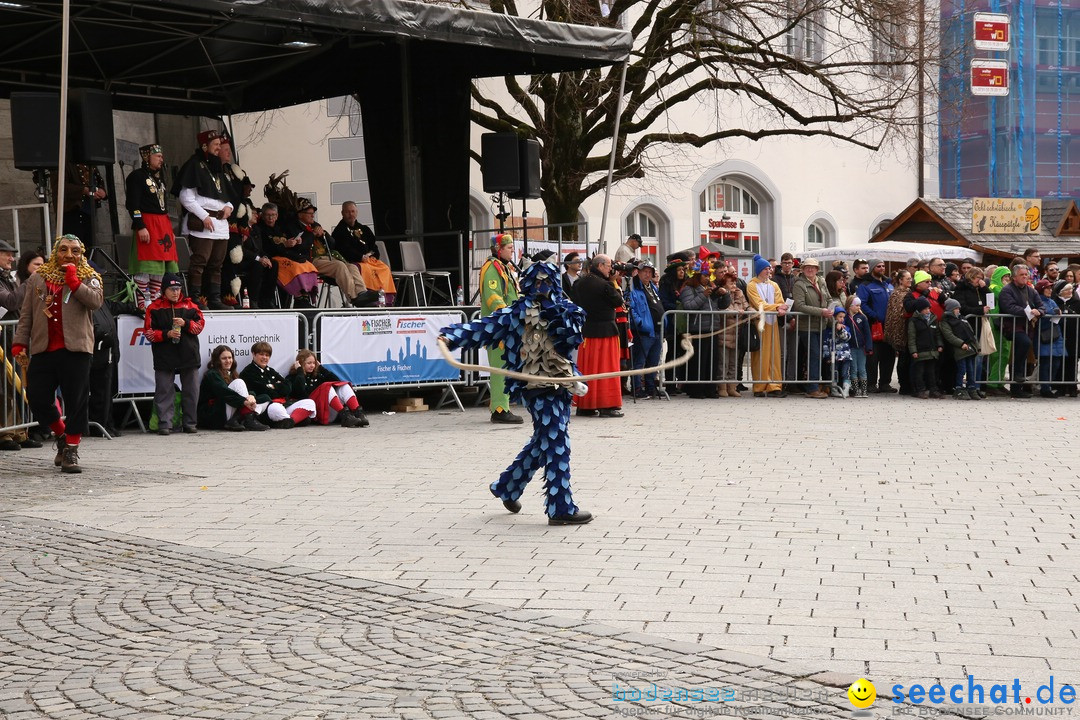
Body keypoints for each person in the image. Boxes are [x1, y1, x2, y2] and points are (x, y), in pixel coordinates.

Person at [439, 254, 592, 525]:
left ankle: (507, 486)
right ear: (528, 284)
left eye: (547, 283)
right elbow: (482, 328)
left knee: (545, 439)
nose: (542, 287)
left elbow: (571, 333)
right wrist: (451, 336)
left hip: (561, 385)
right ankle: (561, 508)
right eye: (538, 282)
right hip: (534, 386)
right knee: (557, 442)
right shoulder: (514, 314)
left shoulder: (566, 309)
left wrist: (553, 312)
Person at [11, 235, 104, 472]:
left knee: (76, 401)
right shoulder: (38, 277)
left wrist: (74, 281)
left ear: (81, 253)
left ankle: (71, 451)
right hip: (44, 347)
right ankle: (62, 435)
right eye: (63, 249)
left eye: (74, 250)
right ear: (55, 252)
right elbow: (27, 314)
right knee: (36, 395)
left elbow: (95, 302)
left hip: (76, 348)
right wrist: (20, 341)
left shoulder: (88, 275)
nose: (69, 254)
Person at [171, 130, 232, 310]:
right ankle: (195, 300)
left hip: (221, 225)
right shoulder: (194, 165)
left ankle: (214, 300)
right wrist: (204, 216)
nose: (218, 148)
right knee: (199, 263)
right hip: (203, 224)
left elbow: (227, 195)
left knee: (216, 265)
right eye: (216, 145)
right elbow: (186, 197)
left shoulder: (217, 167)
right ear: (205, 146)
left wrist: (229, 207)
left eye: (220, 145)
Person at [143, 273, 204, 435]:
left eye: (178, 288)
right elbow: (148, 333)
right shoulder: (153, 308)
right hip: (164, 355)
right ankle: (165, 424)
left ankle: (190, 423)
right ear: (164, 290)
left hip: (188, 355)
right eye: (172, 289)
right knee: (164, 390)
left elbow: (200, 326)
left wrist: (186, 324)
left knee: (191, 390)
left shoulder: (191, 306)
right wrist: (166, 334)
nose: (176, 292)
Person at [125, 144, 179, 310]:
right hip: (148, 223)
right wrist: (140, 225)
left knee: (159, 267)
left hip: (162, 225)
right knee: (146, 265)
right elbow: (132, 204)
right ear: (147, 157)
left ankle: (154, 301)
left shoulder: (159, 178)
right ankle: (142, 302)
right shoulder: (136, 176)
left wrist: (169, 230)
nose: (161, 159)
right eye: (158, 156)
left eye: (162, 156)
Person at [479, 234, 524, 424]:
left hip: (508, 325)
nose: (512, 250)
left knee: (506, 365)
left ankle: (504, 404)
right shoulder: (491, 268)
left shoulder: (505, 268)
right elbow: (492, 296)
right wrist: (507, 315)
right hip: (499, 326)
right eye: (508, 247)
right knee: (500, 367)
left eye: (512, 247)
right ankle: (499, 410)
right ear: (498, 249)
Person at [300, 201, 379, 308]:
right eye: (309, 213)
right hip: (311, 259)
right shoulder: (295, 226)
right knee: (340, 266)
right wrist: (313, 234)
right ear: (300, 214)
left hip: (327, 257)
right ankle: (354, 297)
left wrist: (323, 234)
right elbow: (301, 245)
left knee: (352, 267)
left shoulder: (316, 225)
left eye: (312, 213)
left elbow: (332, 243)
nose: (312, 215)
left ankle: (362, 293)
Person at [573, 253, 625, 416]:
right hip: (605, 332)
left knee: (588, 369)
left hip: (587, 332)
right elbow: (618, 301)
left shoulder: (579, 283)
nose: (611, 269)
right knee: (606, 369)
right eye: (609, 266)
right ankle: (606, 405)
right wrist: (613, 282)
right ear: (600, 266)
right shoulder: (605, 285)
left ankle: (586, 405)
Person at [237, 342, 318, 428]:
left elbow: (288, 387)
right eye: (261, 354)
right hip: (267, 407)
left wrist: (273, 386)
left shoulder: (270, 371)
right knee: (276, 408)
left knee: (310, 403)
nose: (264, 358)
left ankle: (288, 421)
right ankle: (290, 420)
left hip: (283, 403)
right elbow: (263, 392)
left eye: (267, 355)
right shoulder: (248, 372)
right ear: (254, 354)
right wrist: (277, 387)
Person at [330, 201, 397, 304]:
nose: (350, 214)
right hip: (352, 262)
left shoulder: (364, 229)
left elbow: (373, 247)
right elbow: (344, 249)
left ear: (356, 212)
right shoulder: (339, 231)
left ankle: (386, 301)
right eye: (347, 212)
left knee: (384, 268)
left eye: (353, 211)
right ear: (342, 213)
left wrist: (372, 256)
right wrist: (360, 257)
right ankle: (369, 299)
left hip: (368, 260)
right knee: (364, 269)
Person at [679, 262, 729, 399]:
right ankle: (697, 390)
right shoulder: (689, 289)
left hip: (712, 328)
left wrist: (724, 294)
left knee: (711, 360)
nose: (708, 278)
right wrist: (703, 295)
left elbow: (723, 305)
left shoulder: (709, 287)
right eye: (705, 275)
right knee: (699, 361)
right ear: (697, 275)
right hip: (698, 329)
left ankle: (710, 389)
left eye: (709, 275)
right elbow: (688, 306)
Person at [197, 345, 269, 431]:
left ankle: (240, 419)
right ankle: (248, 419)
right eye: (224, 358)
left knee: (265, 398)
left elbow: (245, 391)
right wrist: (245, 401)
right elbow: (225, 393)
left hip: (230, 411)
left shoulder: (232, 373)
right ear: (217, 360)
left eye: (230, 358)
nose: (228, 361)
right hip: (214, 415)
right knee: (239, 382)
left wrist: (251, 396)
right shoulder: (212, 374)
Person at [288, 349, 368, 427]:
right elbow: (300, 391)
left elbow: (337, 381)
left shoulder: (317, 375)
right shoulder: (293, 377)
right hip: (317, 413)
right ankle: (345, 416)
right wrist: (300, 371)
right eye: (309, 363)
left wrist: (321, 369)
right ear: (301, 363)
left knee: (344, 385)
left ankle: (359, 413)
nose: (312, 365)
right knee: (326, 387)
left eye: (314, 363)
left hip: (332, 411)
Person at [744, 254, 788, 397]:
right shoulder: (751, 285)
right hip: (760, 323)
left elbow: (780, 300)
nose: (769, 271)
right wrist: (777, 308)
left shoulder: (773, 285)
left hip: (773, 323)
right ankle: (759, 385)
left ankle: (775, 385)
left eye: (770, 269)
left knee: (774, 354)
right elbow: (759, 304)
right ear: (759, 270)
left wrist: (781, 308)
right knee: (761, 354)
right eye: (766, 269)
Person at [999, 263, 1044, 398]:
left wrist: (1039, 312)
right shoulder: (1007, 290)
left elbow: (1041, 306)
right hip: (1012, 325)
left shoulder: (1031, 290)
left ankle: (1017, 389)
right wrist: (1029, 312)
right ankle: (1017, 375)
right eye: (1022, 275)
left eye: (1026, 274)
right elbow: (1008, 307)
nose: (1025, 277)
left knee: (1024, 354)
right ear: (1014, 277)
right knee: (1024, 343)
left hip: (1028, 326)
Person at [791, 257, 831, 398]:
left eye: (813, 267)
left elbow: (829, 298)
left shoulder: (821, 281)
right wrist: (821, 311)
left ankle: (815, 385)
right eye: (807, 267)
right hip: (806, 326)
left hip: (821, 324)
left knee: (818, 355)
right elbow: (799, 306)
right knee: (814, 355)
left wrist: (832, 307)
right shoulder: (799, 284)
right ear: (802, 269)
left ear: (817, 269)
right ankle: (812, 388)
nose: (810, 269)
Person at [855, 259, 895, 393]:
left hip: (889, 326)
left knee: (888, 356)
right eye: (879, 266)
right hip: (874, 325)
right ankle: (871, 384)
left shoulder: (888, 284)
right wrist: (874, 316)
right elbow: (863, 304)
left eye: (883, 266)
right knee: (873, 356)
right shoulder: (865, 285)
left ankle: (885, 383)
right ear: (872, 268)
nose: (882, 268)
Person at [627, 260, 663, 399]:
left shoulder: (653, 288)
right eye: (645, 272)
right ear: (639, 272)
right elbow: (632, 310)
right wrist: (642, 324)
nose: (648, 275)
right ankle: (636, 387)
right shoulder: (633, 289)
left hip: (657, 330)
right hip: (644, 332)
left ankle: (650, 387)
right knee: (639, 362)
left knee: (653, 362)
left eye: (650, 272)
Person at [940, 298, 981, 400]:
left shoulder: (962, 319)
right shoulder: (945, 321)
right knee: (961, 370)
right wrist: (961, 343)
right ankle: (959, 388)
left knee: (971, 370)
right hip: (960, 349)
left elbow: (971, 333)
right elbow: (949, 335)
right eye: (956, 308)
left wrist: (977, 346)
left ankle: (972, 388)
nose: (958, 310)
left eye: (958, 308)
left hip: (970, 348)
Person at [717, 269, 749, 398]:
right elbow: (722, 310)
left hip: (737, 333)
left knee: (734, 363)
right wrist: (737, 312)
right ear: (724, 285)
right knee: (723, 362)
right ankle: (722, 387)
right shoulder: (721, 295)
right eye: (731, 284)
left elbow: (746, 306)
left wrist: (753, 311)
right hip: (724, 333)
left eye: (735, 283)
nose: (734, 286)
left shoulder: (740, 293)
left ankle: (732, 387)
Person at [60, 163, 107, 250]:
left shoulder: (90, 163)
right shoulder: (66, 164)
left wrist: (102, 191)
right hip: (73, 212)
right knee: (74, 245)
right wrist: (84, 190)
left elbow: (99, 181)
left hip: (90, 211)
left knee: (89, 245)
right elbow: (61, 186)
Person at [884, 269, 913, 396]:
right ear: (901, 280)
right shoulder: (896, 294)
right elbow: (895, 314)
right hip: (900, 329)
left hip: (908, 328)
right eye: (907, 278)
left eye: (911, 278)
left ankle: (908, 383)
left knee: (907, 357)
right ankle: (904, 385)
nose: (910, 280)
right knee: (903, 357)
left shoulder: (909, 293)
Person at [907, 297, 943, 399]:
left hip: (931, 351)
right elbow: (912, 337)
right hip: (920, 351)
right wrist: (913, 351)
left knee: (931, 372)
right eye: (925, 309)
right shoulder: (914, 321)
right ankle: (920, 390)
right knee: (919, 372)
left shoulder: (933, 319)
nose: (928, 311)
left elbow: (937, 334)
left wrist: (940, 345)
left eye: (929, 308)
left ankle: (933, 389)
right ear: (920, 310)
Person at [1035, 279, 1065, 397]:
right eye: (1047, 288)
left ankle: (1049, 385)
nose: (1050, 290)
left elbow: (1056, 314)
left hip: (1056, 334)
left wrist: (1057, 313)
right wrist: (1053, 313)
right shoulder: (1037, 301)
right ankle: (1045, 388)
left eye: (1050, 288)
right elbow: (1041, 316)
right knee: (1046, 363)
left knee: (1056, 362)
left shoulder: (1052, 301)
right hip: (1044, 335)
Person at [844, 295, 873, 398]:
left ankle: (864, 390)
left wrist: (869, 346)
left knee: (862, 369)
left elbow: (867, 333)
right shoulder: (846, 318)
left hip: (861, 347)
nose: (859, 307)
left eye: (859, 306)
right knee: (853, 369)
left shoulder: (862, 318)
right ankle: (856, 390)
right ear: (850, 306)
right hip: (850, 347)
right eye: (857, 305)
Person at [1056, 282, 1080, 397]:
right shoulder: (1056, 302)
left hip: (1073, 335)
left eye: (1071, 289)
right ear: (1061, 292)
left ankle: (1072, 386)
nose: (1070, 292)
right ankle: (1060, 387)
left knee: (1072, 361)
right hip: (1059, 336)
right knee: (1060, 361)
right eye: (1067, 290)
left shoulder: (1077, 302)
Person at [823, 304, 852, 397]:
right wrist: (827, 356)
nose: (842, 319)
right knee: (834, 372)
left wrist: (840, 331)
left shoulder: (845, 328)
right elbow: (825, 344)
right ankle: (834, 389)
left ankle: (846, 389)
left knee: (845, 373)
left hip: (845, 355)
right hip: (833, 356)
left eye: (843, 317)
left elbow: (847, 337)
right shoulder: (828, 331)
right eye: (839, 317)